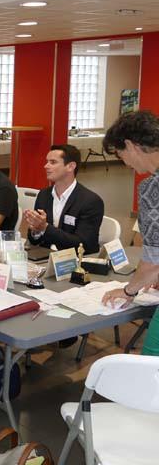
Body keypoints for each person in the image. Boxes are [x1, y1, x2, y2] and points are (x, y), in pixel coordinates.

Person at [101, 111, 159, 355]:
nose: (125, 163)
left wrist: (128, 291)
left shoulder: (152, 189)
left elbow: (154, 261)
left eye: (120, 154)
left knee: (152, 366)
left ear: (130, 145)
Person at [25, 144, 104, 253]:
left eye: (53, 162)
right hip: (44, 256)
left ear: (71, 166)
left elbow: (83, 245)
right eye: (47, 161)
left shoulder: (90, 201)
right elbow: (33, 240)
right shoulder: (44, 195)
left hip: (75, 259)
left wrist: (45, 228)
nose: (46, 166)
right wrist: (36, 230)